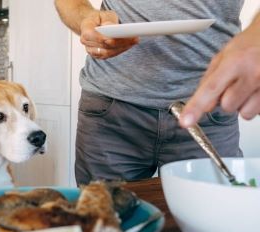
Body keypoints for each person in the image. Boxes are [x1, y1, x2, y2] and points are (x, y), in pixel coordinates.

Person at [55, 0, 258, 185]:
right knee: (104, 220)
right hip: (111, 111)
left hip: (209, 110)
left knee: (213, 220)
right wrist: (86, 19)